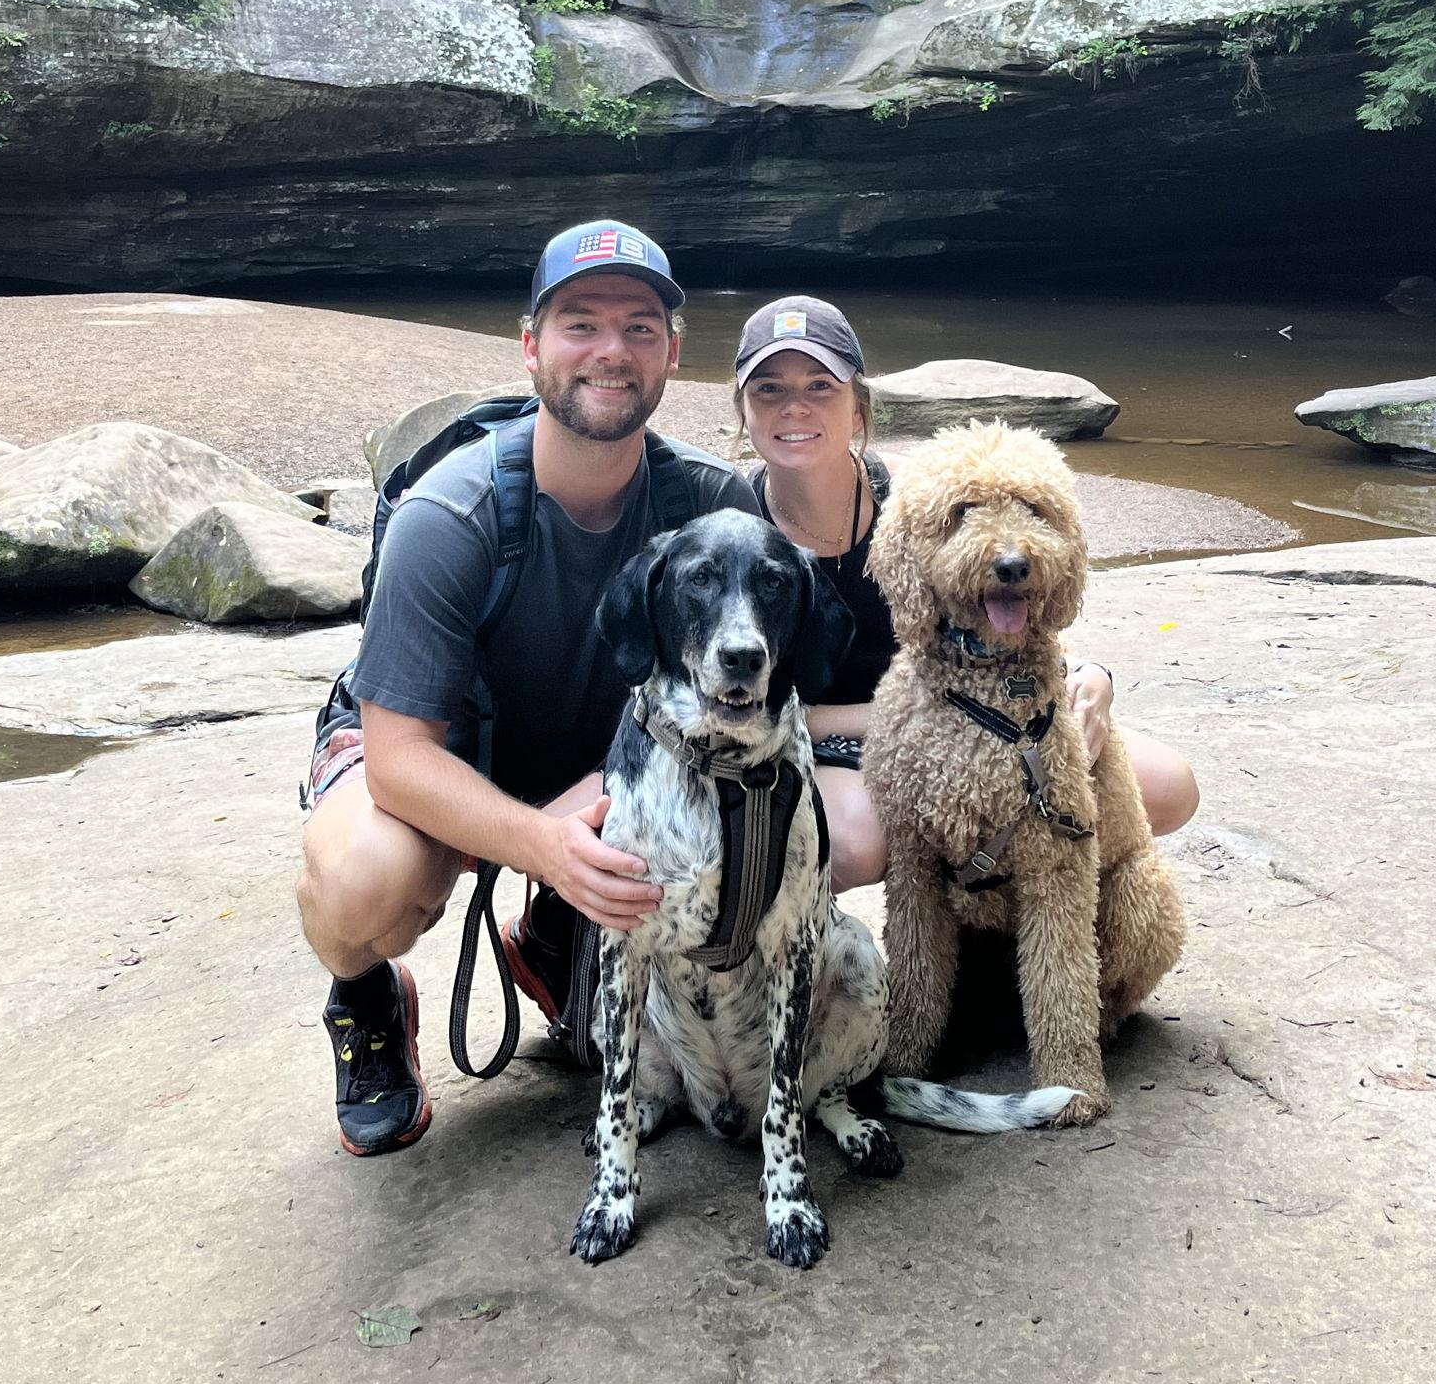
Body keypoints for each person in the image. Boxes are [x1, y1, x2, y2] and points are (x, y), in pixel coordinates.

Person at [295, 218, 763, 1157]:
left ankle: (553, 937)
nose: (612, 349)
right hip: (440, 756)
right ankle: (365, 994)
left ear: (672, 353)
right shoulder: (449, 514)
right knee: (363, 882)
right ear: (530, 346)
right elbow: (398, 759)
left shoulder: (712, 506)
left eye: (639, 327)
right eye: (580, 323)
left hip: (608, 772)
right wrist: (544, 843)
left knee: (617, 1040)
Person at [731, 295, 1199, 894]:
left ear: (858, 407)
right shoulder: (733, 525)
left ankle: (1002, 910)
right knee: (859, 843)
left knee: (1169, 787)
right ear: (744, 409)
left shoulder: (918, 500)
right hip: (815, 743)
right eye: (769, 388)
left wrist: (1088, 674)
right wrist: (851, 720)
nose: (795, 406)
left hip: (965, 709)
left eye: (820, 385)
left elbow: (1007, 602)